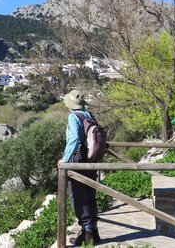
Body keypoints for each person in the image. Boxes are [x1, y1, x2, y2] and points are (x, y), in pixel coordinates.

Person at [59, 89, 101, 246]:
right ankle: (92, 232)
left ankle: (87, 232)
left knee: (77, 196)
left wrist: (65, 159)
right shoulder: (89, 115)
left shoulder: (73, 117)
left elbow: (75, 138)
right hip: (91, 160)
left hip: (78, 160)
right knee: (90, 195)